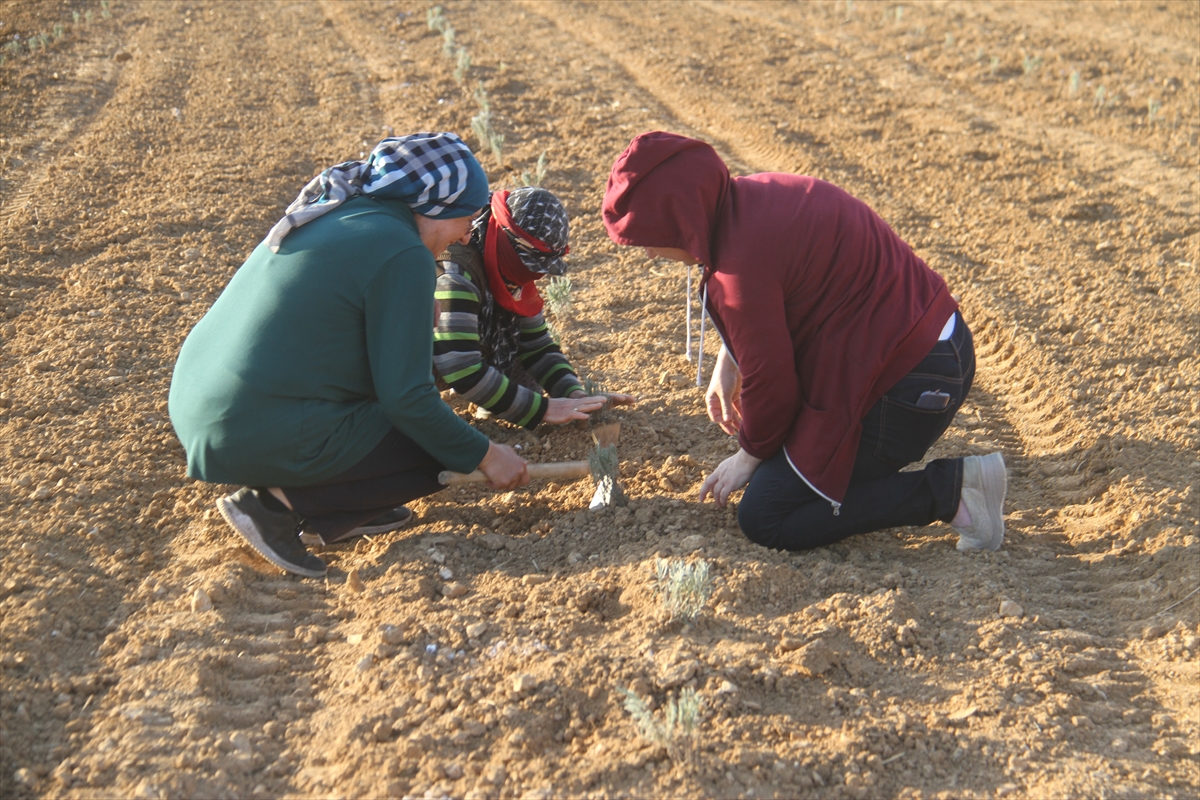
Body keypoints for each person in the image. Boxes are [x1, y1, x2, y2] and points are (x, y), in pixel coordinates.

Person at [602, 131, 1007, 553]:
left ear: (680, 217)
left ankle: (953, 493)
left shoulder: (738, 268)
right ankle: (945, 488)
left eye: (648, 235)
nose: (649, 253)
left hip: (911, 385)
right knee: (782, 473)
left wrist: (747, 456)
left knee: (767, 513)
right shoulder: (751, 199)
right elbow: (781, 291)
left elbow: (775, 387)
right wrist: (732, 356)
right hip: (937, 344)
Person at [169, 133, 529, 578]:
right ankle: (273, 508)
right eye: (466, 220)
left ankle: (346, 505)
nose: (463, 236)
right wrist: (486, 454)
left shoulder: (347, 212)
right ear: (436, 208)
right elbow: (409, 401)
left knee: (419, 410)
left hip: (204, 399)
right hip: (244, 423)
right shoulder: (402, 252)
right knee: (437, 446)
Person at [433, 186, 634, 427]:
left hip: (464, 354)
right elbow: (460, 367)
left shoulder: (505, 265)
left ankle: (494, 410)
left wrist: (573, 394)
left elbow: (536, 345)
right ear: (505, 240)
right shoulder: (456, 275)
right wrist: (543, 409)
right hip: (422, 362)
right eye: (530, 264)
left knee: (516, 338)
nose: (535, 274)